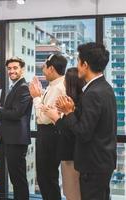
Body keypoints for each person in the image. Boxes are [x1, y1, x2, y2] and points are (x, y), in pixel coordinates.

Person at [44, 42, 117, 200]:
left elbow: (83, 132)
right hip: (103, 161)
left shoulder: (93, 93)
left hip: (93, 164)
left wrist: (69, 113)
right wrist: (70, 112)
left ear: (85, 64)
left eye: (78, 62)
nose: (77, 67)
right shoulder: (105, 87)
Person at [0, 57, 32, 200]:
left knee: (18, 179)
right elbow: (7, 113)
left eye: (15, 68)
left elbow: (16, 114)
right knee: (15, 179)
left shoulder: (24, 88)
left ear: (22, 69)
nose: (12, 71)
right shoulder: (14, 87)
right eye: (10, 68)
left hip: (17, 140)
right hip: (11, 139)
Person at [42, 67, 84, 200]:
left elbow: (71, 133)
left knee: (73, 194)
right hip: (70, 156)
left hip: (72, 157)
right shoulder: (73, 102)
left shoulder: (76, 105)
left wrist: (55, 118)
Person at [28, 54, 67, 200]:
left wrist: (36, 97)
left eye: (44, 66)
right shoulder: (56, 85)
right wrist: (41, 94)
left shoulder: (58, 87)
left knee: (46, 177)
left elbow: (45, 117)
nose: (42, 69)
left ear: (51, 68)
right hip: (51, 134)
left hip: (49, 134)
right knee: (48, 177)